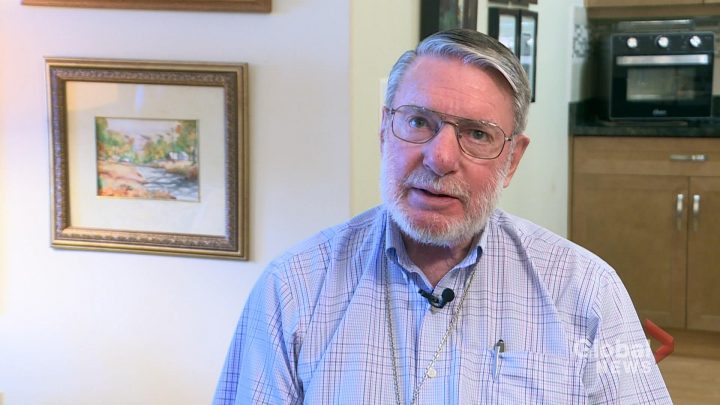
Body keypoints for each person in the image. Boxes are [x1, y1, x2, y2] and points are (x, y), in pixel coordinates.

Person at [213, 29, 671, 404]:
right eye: (418, 122)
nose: (440, 157)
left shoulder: (587, 291)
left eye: (477, 134)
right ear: (384, 130)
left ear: (512, 159)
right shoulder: (293, 288)